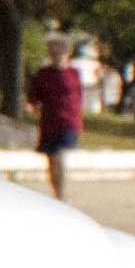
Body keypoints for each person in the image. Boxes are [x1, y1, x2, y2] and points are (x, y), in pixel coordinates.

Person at [26, 36, 89, 201]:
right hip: (49, 123)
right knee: (51, 161)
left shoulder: (74, 74)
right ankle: (56, 193)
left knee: (59, 156)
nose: (56, 55)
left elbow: (79, 97)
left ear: (67, 53)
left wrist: (78, 119)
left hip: (68, 122)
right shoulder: (43, 74)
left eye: (59, 51)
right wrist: (29, 105)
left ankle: (61, 195)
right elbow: (33, 95)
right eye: (52, 51)